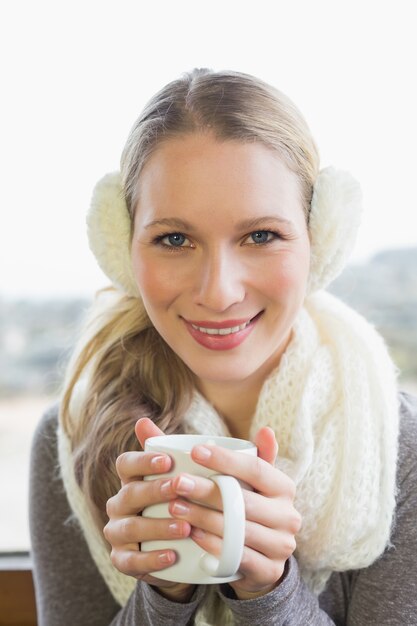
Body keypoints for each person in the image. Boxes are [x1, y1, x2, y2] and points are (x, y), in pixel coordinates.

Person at [29, 68, 417, 625]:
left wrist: (270, 591)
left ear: (320, 239)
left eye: (261, 235)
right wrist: (163, 589)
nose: (219, 291)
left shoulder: (402, 451)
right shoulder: (71, 439)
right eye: (174, 239)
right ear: (123, 249)